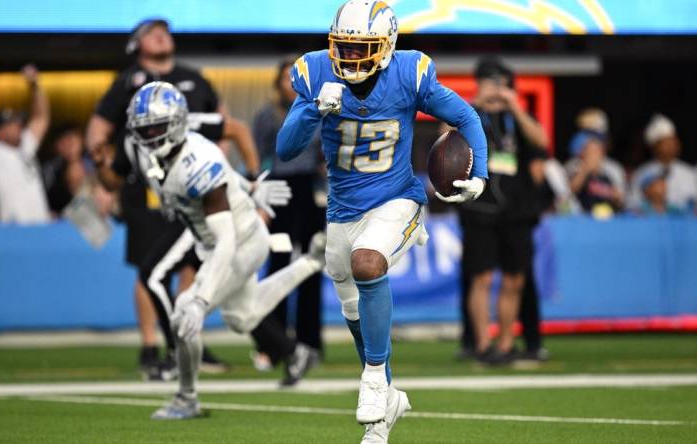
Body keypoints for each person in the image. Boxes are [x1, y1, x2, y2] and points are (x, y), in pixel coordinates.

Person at [276, 2, 488, 442]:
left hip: (397, 199)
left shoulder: (408, 74)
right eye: (345, 49)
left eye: (363, 49)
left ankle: (374, 377)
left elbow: (466, 115)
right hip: (342, 210)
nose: (351, 59)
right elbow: (285, 148)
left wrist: (480, 172)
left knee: (368, 263)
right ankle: (383, 412)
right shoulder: (317, 72)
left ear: (387, 46)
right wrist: (315, 108)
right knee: (354, 307)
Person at [122, 82, 325, 420]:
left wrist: (201, 301)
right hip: (216, 239)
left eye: (157, 128)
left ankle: (186, 398)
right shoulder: (153, 149)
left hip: (241, 240)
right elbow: (223, 170)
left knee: (184, 312)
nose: (150, 136)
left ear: (174, 125)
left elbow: (226, 239)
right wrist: (250, 186)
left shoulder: (197, 163)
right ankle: (310, 262)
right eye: (144, 130)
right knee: (241, 317)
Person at [86, 18, 258, 379]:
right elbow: (99, 133)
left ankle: (184, 340)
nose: (161, 34)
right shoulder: (126, 82)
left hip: (194, 189)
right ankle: (152, 344)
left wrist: (220, 169)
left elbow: (226, 124)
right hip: (146, 191)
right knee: (149, 268)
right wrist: (102, 178)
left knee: (189, 267)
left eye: (164, 30)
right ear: (137, 44)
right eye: (151, 32)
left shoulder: (194, 77)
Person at [457, 56, 549, 367]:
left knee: (514, 278)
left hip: (516, 207)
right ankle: (483, 344)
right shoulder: (470, 114)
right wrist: (476, 103)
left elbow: (542, 142)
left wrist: (516, 108)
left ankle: (506, 342)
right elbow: (447, 135)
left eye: (501, 83)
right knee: (480, 276)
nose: (496, 89)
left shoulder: (518, 117)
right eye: (490, 83)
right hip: (479, 205)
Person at [251, 57, 327, 368]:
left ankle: (310, 344)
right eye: (287, 78)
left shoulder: (316, 112)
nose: (292, 85)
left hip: (309, 193)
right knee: (278, 266)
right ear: (277, 83)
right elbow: (259, 159)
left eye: (297, 79)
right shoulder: (267, 116)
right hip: (279, 193)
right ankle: (275, 345)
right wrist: (261, 200)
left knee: (311, 266)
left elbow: (323, 157)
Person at [0, 54, 52, 224]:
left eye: (19, 122)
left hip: (42, 226)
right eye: (12, 124)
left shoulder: (26, 145)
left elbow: (42, 118)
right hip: (12, 230)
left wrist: (35, 85)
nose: (19, 126)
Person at [628, 114, 696, 213]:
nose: (672, 145)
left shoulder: (689, 173)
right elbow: (632, 206)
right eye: (666, 142)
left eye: (673, 140)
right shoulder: (642, 173)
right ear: (654, 146)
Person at [565, 131, 626, 216]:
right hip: (583, 216)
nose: (594, 155)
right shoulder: (575, 168)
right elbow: (569, 191)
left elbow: (620, 200)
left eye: (597, 151)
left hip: (607, 216)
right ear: (582, 153)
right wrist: (586, 169)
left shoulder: (608, 174)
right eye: (590, 151)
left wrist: (616, 196)